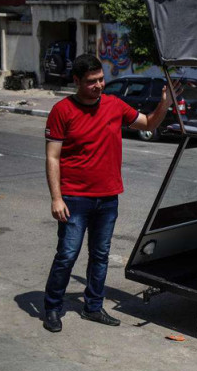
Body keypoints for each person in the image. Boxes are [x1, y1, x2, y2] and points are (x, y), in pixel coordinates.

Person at [42, 54, 181, 332]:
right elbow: (53, 157)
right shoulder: (62, 110)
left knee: (100, 255)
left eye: (101, 79)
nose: (98, 85)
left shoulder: (115, 105)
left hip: (107, 198)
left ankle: (93, 306)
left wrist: (164, 104)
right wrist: (56, 198)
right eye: (92, 81)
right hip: (74, 198)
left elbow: (149, 124)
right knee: (67, 255)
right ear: (77, 81)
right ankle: (52, 308)